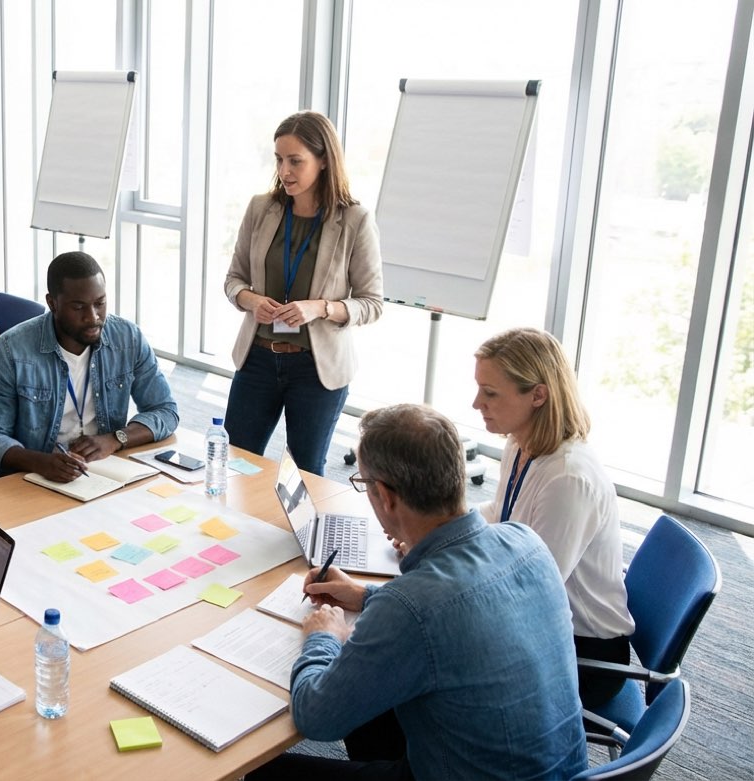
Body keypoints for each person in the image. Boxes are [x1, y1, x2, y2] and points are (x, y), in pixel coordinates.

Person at [257, 404, 586, 780]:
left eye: (364, 485)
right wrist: (364, 595)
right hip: (559, 770)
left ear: (385, 495)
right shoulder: (526, 541)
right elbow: (454, 612)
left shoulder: (412, 606)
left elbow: (315, 717)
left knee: (262, 770)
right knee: (371, 698)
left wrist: (323, 638)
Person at [474, 327, 635, 707]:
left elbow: (531, 591)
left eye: (490, 393)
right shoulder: (520, 443)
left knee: (426, 665)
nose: (476, 402)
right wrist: (438, 532)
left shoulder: (568, 478)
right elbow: (500, 517)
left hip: (583, 654)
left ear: (538, 395)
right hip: (538, 625)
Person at [223, 111, 383, 475]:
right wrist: (251, 301)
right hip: (258, 360)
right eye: (279, 159)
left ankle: (304, 535)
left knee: (306, 472)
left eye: (296, 161)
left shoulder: (355, 220)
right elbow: (234, 280)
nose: (284, 171)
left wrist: (321, 308)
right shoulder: (261, 208)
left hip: (316, 368)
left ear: (324, 160)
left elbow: (372, 304)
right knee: (235, 463)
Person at [0, 251, 179, 481]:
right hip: (34, 476)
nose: (93, 317)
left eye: (100, 303)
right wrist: (40, 462)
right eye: (79, 307)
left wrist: (115, 438)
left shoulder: (127, 338)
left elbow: (166, 410)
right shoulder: (12, 350)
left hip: (104, 471)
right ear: (53, 303)